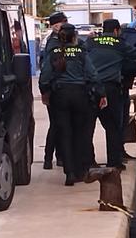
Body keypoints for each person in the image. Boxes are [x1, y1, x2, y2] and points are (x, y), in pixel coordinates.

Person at [39, 24, 106, 186]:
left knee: (64, 134)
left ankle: (69, 173)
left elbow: (45, 76)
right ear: (74, 37)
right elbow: (92, 74)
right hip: (79, 95)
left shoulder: (54, 52)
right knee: (79, 133)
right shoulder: (81, 52)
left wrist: (45, 92)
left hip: (60, 96)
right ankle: (79, 171)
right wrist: (101, 93)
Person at [87, 19, 136, 170]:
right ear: (116, 30)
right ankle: (114, 163)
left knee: (88, 127)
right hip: (110, 89)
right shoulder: (119, 43)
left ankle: (89, 162)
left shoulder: (91, 42)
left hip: (90, 89)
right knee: (113, 127)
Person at [41, 12, 72, 170]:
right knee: (56, 125)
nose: (65, 24)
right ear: (55, 25)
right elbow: (47, 69)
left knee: (59, 125)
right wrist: (45, 91)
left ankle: (60, 157)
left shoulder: (57, 41)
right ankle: (49, 158)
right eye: (63, 22)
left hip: (57, 88)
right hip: (54, 90)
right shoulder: (53, 43)